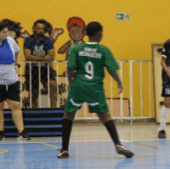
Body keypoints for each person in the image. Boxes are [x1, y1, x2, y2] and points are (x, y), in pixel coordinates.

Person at [57, 21, 133, 159]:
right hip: (95, 87)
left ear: (86, 33)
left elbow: (70, 67)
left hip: (78, 85)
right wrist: (119, 82)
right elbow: (112, 70)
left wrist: (70, 82)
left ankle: (64, 150)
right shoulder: (104, 50)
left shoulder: (76, 49)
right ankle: (118, 144)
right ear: (99, 34)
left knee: (68, 116)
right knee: (105, 117)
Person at [23, 19, 57, 108]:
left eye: (42, 29)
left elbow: (51, 57)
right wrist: (43, 59)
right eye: (38, 28)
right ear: (34, 29)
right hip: (32, 69)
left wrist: (36, 59)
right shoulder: (28, 40)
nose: (41, 30)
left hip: (45, 69)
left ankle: (54, 111)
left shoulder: (47, 40)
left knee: (53, 85)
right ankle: (34, 113)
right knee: (34, 93)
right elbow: (27, 56)